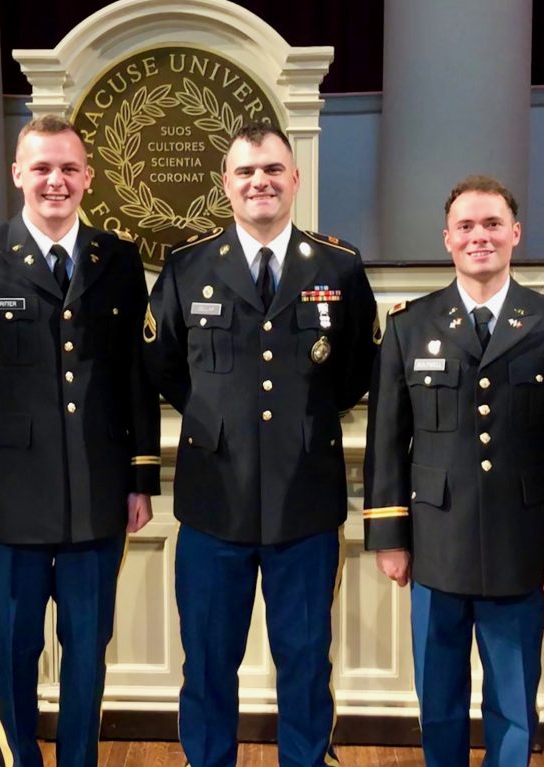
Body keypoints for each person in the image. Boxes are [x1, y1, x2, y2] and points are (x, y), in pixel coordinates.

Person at [0, 115, 159, 767]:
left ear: (88, 176)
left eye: (68, 168)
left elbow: (134, 374)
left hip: (97, 494)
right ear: (17, 174)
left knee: (87, 652)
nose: (56, 180)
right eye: (42, 168)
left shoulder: (118, 258)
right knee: (12, 649)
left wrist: (140, 476)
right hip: (3, 502)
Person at [144, 122, 379, 767]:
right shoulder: (188, 265)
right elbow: (163, 365)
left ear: (294, 179)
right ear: (226, 184)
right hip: (212, 501)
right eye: (246, 172)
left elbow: (355, 371)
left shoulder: (338, 265)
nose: (260, 182)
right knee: (207, 660)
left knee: (305, 660)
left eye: (273, 169)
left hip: (304, 500)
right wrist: (217, 418)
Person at [363, 175, 544, 766]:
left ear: (515, 233)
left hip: (522, 543)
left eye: (492, 224)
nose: (479, 237)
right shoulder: (409, 325)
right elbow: (386, 440)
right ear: (447, 238)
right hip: (435, 542)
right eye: (465, 226)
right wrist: (389, 536)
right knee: (437, 697)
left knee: (514, 701)